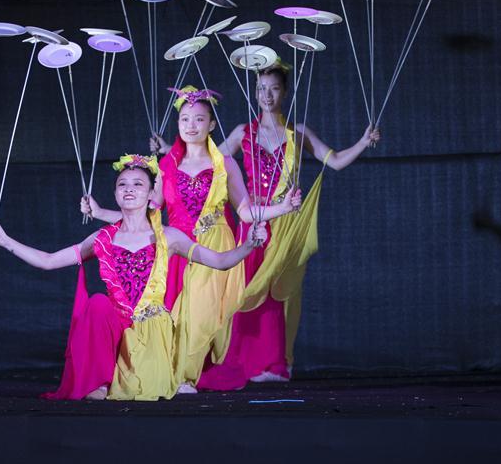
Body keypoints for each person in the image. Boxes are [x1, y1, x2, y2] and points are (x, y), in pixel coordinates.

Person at [152, 67, 380, 386]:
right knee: (244, 292)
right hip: (253, 221)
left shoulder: (298, 132)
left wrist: (363, 142)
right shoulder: (242, 133)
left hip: (286, 223)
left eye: (273, 88)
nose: (267, 95)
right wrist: (169, 152)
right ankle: (238, 362)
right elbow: (207, 161)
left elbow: (336, 160)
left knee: (278, 291)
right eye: (261, 88)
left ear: (284, 92)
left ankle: (275, 362)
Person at [0, 154, 266, 400]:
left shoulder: (169, 237)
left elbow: (219, 261)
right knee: (98, 303)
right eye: (122, 184)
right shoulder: (102, 238)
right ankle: (98, 380)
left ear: (151, 194)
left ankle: (133, 372)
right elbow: (48, 261)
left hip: (151, 329)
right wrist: (6, 240)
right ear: (115, 193)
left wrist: (250, 245)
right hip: (116, 326)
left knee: (145, 390)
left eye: (137, 184)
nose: (129, 189)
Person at [85, 86, 300, 391]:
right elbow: (146, 212)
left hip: (215, 246)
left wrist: (283, 207)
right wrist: (99, 213)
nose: (191, 125)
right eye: (185, 119)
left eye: (199, 119)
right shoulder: (166, 167)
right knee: (175, 317)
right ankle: (172, 374)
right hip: (176, 249)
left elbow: (245, 212)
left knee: (200, 313)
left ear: (211, 125)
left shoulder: (225, 164)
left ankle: (184, 376)